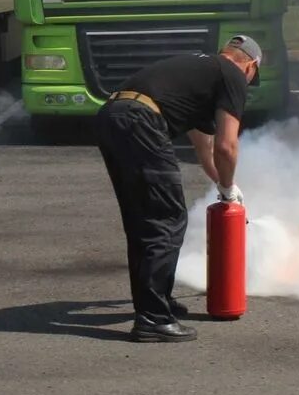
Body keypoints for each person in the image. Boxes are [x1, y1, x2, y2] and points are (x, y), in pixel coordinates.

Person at [95, 35, 261, 343]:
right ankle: (153, 319)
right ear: (249, 65)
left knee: (144, 221)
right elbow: (227, 146)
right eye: (252, 78)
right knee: (166, 220)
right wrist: (226, 187)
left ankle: (157, 303)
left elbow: (206, 150)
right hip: (140, 122)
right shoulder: (233, 75)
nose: (248, 84)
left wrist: (227, 188)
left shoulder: (200, 70)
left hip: (113, 117)